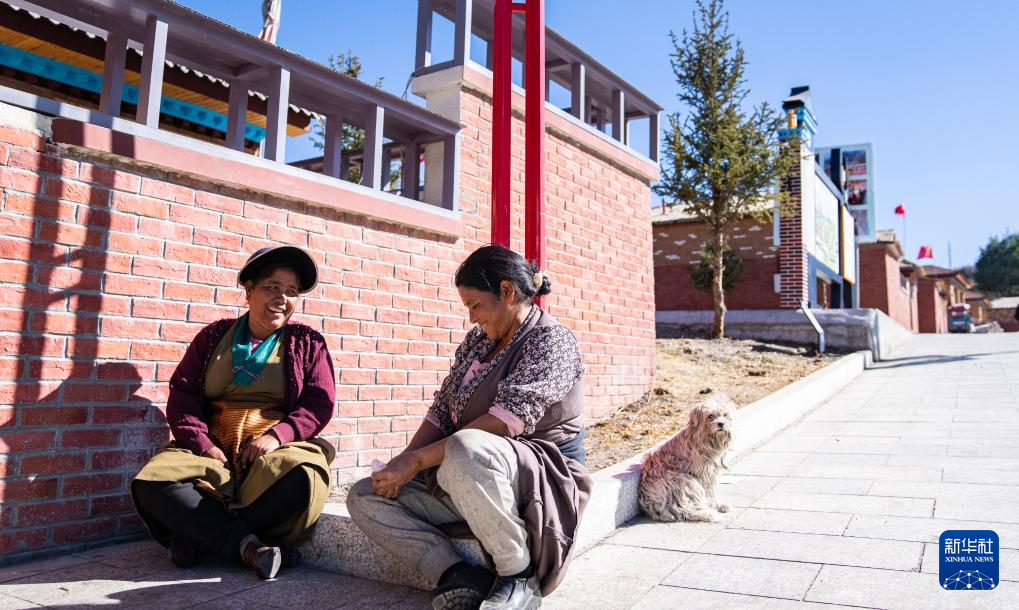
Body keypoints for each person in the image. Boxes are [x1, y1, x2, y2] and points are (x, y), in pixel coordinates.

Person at [347, 245, 592, 610]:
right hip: (469, 473)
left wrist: (418, 461)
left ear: (507, 291)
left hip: (537, 478)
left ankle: (518, 576)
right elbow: (442, 411)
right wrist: (401, 464)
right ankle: (457, 574)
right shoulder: (478, 342)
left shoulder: (551, 341)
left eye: (475, 305)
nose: (472, 318)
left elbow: (505, 422)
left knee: (465, 447)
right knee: (365, 495)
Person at [132, 246, 336, 579]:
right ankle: (247, 545)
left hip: (272, 450)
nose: (282, 299)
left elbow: (318, 403)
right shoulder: (213, 337)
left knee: (305, 476)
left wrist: (277, 436)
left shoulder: (308, 343)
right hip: (213, 446)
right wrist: (203, 446)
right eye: (272, 287)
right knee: (152, 484)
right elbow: (183, 395)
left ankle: (204, 542)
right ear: (249, 291)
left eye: (292, 291)